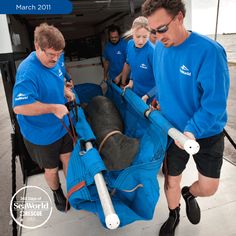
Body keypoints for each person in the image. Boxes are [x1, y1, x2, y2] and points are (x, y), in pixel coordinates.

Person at [142, 1, 230, 235]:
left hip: (207, 133)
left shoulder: (209, 52)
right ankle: (174, 214)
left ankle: (190, 193)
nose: (158, 37)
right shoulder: (161, 47)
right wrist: (155, 98)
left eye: (162, 29)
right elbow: (162, 82)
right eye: (153, 31)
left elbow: (215, 105)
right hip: (172, 131)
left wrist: (191, 131)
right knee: (171, 180)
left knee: (209, 188)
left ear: (179, 17)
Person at [12, 23, 75, 212]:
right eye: (51, 55)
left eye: (59, 54)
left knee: (68, 157)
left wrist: (64, 90)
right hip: (41, 133)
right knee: (51, 168)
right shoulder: (27, 71)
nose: (56, 59)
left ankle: (74, 189)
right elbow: (20, 107)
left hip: (61, 124)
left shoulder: (55, 58)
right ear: (37, 47)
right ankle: (57, 192)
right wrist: (53, 108)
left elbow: (57, 77)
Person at [121, 16, 156, 104]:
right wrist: (131, 82)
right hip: (136, 93)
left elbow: (163, 82)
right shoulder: (129, 45)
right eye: (138, 36)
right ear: (132, 32)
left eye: (145, 37)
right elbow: (134, 65)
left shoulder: (152, 52)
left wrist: (148, 95)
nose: (141, 41)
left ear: (149, 34)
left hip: (151, 98)